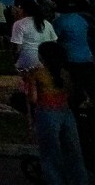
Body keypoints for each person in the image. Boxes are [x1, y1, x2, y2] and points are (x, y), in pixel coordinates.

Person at [21, 42, 88, 185]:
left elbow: (33, 98)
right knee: (73, 151)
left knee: (50, 152)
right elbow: (70, 94)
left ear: (42, 56)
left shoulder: (36, 73)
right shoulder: (65, 73)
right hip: (65, 112)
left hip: (47, 113)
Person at [52, 0, 95, 108]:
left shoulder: (59, 21)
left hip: (70, 57)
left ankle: (78, 107)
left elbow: (54, 39)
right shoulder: (81, 19)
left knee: (75, 84)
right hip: (86, 55)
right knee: (89, 82)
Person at [11, 0, 58, 71]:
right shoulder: (46, 23)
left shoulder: (19, 24)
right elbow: (54, 42)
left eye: (20, 8)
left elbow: (17, 47)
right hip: (44, 60)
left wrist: (14, 58)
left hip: (26, 60)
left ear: (23, 9)